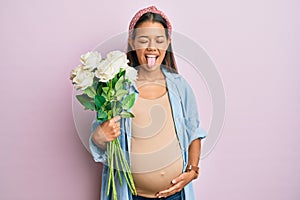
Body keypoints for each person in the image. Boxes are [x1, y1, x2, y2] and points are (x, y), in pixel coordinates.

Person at [89, 6, 207, 200]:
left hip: (175, 195)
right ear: (132, 41)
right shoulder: (116, 89)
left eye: (159, 40)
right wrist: (100, 137)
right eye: (144, 40)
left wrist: (192, 171)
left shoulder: (180, 86)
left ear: (168, 43)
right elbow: (100, 139)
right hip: (131, 195)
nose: (152, 47)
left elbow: (194, 133)